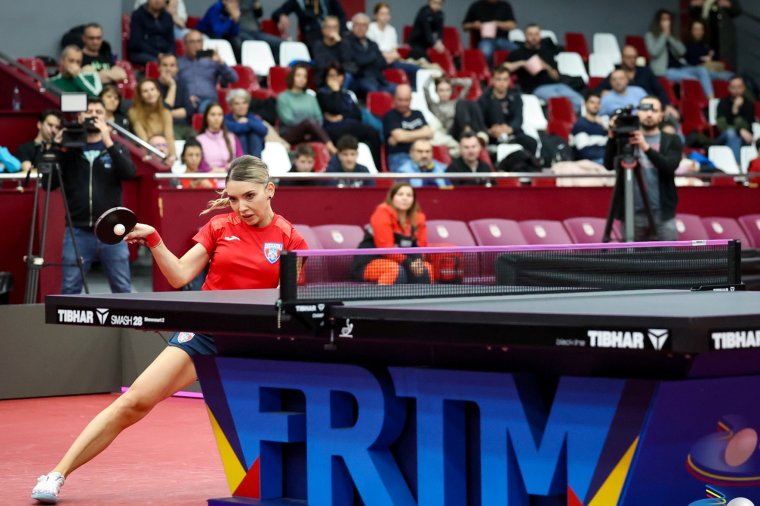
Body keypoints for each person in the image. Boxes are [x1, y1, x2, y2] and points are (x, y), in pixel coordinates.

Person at [30, 155, 307, 504]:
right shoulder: (220, 227)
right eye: (234, 198)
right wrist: (154, 239)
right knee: (134, 402)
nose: (241, 207)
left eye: (249, 196)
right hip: (206, 334)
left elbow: (286, 302)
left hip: (256, 342)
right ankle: (56, 473)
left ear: (270, 190)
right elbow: (179, 275)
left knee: (274, 420)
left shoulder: (290, 239)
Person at [41, 97, 136, 295]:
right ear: (80, 116)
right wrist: (57, 149)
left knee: (122, 288)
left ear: (106, 117)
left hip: (112, 230)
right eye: (89, 112)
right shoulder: (70, 149)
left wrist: (108, 141)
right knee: (70, 289)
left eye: (98, 113)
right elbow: (48, 184)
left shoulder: (115, 148)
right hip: (77, 230)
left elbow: (129, 174)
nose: (93, 116)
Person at [604, 95, 683, 241]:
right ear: (637, 113)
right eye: (645, 109)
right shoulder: (626, 139)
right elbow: (608, 165)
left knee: (669, 255)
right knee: (632, 255)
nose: (649, 114)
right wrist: (611, 137)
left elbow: (669, 167)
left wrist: (645, 147)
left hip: (662, 214)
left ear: (661, 115)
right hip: (632, 213)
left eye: (654, 110)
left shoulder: (672, 140)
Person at [351, 182, 432, 285]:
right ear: (392, 197)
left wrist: (417, 261)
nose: (405, 198)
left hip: (403, 262)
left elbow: (421, 246)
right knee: (395, 271)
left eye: (409, 195)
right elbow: (386, 249)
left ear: (413, 199)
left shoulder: (418, 218)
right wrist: (409, 263)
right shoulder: (382, 213)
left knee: (426, 270)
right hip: (370, 262)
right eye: (400, 194)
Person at [504, 23, 584, 113]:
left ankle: (572, 119)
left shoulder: (547, 52)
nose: (534, 37)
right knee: (559, 102)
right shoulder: (518, 53)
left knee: (579, 101)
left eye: (536, 34)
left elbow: (556, 77)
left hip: (558, 85)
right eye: (530, 34)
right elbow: (503, 68)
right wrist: (521, 63)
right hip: (536, 88)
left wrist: (546, 66)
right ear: (525, 35)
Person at [317, 62, 382, 168]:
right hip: (333, 129)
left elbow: (357, 114)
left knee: (372, 134)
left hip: (351, 126)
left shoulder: (348, 94)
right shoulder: (322, 94)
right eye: (331, 75)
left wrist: (342, 116)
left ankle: (378, 169)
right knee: (367, 132)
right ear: (326, 78)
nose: (335, 79)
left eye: (338, 75)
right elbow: (334, 108)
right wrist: (336, 91)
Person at [593, 45, 680, 120]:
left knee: (671, 117)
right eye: (629, 57)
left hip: (648, 108)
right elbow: (597, 90)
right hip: (624, 113)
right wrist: (602, 92)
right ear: (622, 58)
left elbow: (659, 90)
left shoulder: (645, 72)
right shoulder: (616, 74)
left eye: (634, 57)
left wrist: (667, 105)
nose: (632, 60)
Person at [645, 9, 715, 99]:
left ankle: (711, 100)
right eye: (664, 19)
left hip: (680, 67)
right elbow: (654, 52)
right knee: (694, 79)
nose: (667, 22)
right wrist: (663, 35)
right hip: (664, 71)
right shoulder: (650, 35)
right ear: (658, 21)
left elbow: (682, 51)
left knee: (702, 70)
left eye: (668, 19)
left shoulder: (672, 35)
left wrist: (669, 37)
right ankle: (703, 101)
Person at [276, 63, 337, 153]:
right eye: (298, 75)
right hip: (290, 133)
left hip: (310, 132)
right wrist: (307, 125)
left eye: (304, 76)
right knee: (309, 121)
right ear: (292, 77)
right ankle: (332, 148)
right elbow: (288, 120)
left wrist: (310, 128)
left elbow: (319, 118)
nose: (302, 79)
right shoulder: (283, 97)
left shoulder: (310, 97)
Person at [478, 65, 538, 156]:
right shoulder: (483, 99)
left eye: (505, 79)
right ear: (492, 80)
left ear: (509, 81)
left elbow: (518, 119)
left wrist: (509, 129)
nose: (502, 83)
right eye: (498, 79)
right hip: (492, 136)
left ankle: (529, 163)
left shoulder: (516, 97)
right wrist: (490, 131)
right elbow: (480, 120)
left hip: (512, 133)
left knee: (531, 142)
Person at [178, 30, 238, 114]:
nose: (196, 45)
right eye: (192, 42)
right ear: (184, 45)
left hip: (208, 101)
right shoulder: (178, 63)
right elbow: (173, 83)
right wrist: (185, 97)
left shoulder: (212, 61)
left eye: (199, 41)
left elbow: (233, 78)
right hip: (185, 101)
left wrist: (221, 63)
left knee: (206, 109)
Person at [423, 75, 489, 150]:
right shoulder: (434, 106)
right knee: (461, 103)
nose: (445, 93)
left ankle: (481, 132)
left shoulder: (455, 102)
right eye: (441, 90)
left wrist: (450, 81)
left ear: (451, 91)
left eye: (448, 90)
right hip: (454, 131)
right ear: (436, 91)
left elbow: (468, 83)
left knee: (472, 103)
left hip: (467, 125)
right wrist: (431, 77)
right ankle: (471, 133)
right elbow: (425, 88)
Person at [343, 13, 396, 98]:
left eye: (363, 25)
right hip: (360, 79)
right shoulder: (346, 42)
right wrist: (373, 57)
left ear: (367, 27)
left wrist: (366, 59)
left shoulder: (372, 44)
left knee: (399, 90)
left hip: (378, 79)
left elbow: (382, 63)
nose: (360, 28)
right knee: (375, 93)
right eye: (357, 25)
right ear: (352, 26)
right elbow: (357, 61)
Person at [383, 84, 433, 172]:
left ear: (411, 99)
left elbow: (429, 133)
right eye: (400, 100)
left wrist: (404, 136)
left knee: (443, 171)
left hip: (423, 155)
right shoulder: (390, 115)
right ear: (394, 98)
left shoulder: (418, 114)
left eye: (406, 100)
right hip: (400, 156)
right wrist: (422, 134)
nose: (403, 103)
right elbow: (400, 137)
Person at [128, 78, 177, 167]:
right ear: (141, 96)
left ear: (158, 92)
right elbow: (143, 140)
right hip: (147, 154)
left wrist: (172, 156)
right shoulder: (134, 113)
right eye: (145, 91)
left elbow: (169, 137)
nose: (150, 93)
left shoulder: (166, 113)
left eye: (152, 89)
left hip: (164, 152)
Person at [366, 2, 418, 86]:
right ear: (375, 15)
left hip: (391, 61)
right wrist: (386, 56)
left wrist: (391, 57)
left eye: (387, 14)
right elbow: (373, 51)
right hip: (376, 62)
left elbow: (395, 51)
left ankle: (412, 91)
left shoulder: (391, 30)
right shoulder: (370, 28)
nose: (385, 17)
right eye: (382, 14)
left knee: (415, 68)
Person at [689, 0, 742, 72]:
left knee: (725, 60)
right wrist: (694, 5)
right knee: (705, 57)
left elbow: (738, 10)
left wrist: (728, 5)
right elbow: (692, 13)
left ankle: (728, 75)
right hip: (706, 33)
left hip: (723, 35)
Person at [271, 0, 346, 49]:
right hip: (312, 36)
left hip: (332, 30)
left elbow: (341, 15)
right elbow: (275, 14)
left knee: (346, 41)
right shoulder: (297, 1)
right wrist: (281, 15)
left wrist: (340, 32)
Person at [462, 0, 519, 65]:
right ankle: (488, 70)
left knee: (518, 51)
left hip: (503, 40)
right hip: (484, 40)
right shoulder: (476, 6)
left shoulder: (505, 6)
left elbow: (513, 25)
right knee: (486, 52)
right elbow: (465, 26)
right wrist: (473, 25)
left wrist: (497, 24)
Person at [715, 76, 755, 164]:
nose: (736, 90)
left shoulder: (748, 105)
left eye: (739, 87)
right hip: (725, 137)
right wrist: (739, 130)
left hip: (744, 138)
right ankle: (736, 165)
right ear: (729, 88)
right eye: (733, 87)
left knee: (736, 136)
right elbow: (722, 127)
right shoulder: (723, 103)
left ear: (744, 88)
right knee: (731, 133)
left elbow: (747, 126)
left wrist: (736, 112)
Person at [156, 53, 195, 139]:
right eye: (165, 65)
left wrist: (168, 113)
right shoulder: (153, 87)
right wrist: (172, 86)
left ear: (177, 69)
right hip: (162, 126)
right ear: (158, 68)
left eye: (172, 65)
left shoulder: (182, 85)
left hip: (183, 126)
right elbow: (160, 112)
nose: (168, 69)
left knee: (196, 142)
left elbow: (189, 110)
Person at [197, 103, 244, 175]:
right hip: (208, 178)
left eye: (220, 115)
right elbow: (198, 163)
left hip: (230, 178)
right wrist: (210, 170)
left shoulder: (232, 138)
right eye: (213, 114)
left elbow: (241, 161)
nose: (216, 118)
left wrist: (225, 169)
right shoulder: (198, 140)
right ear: (206, 117)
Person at [16, 109, 63, 174]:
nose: (53, 130)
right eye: (50, 125)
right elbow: (27, 172)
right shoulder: (25, 148)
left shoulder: (60, 149)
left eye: (57, 127)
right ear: (39, 125)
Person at [128, 0, 175, 65]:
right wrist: (158, 54)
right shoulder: (138, 15)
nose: (157, 1)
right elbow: (137, 42)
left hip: (164, 54)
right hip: (142, 53)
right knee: (162, 64)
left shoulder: (168, 17)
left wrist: (169, 54)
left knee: (175, 62)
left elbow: (171, 41)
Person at [224, 88, 268, 158]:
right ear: (231, 106)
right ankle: (244, 163)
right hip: (233, 155)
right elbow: (234, 128)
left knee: (255, 136)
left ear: (248, 105)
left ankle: (255, 163)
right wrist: (250, 125)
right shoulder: (226, 119)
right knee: (242, 136)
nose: (241, 107)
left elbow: (264, 130)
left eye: (244, 103)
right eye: (237, 104)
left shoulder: (252, 117)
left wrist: (248, 122)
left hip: (254, 152)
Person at [312, 16, 351, 88]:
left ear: (338, 29)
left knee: (348, 76)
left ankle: (342, 94)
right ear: (323, 30)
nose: (332, 30)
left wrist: (340, 43)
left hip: (340, 76)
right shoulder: (318, 45)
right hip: (324, 77)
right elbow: (321, 65)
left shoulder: (344, 44)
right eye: (329, 27)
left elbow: (347, 62)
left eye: (334, 27)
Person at [570, 94, 607, 164]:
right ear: (585, 104)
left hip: (602, 160)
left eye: (598, 103)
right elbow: (585, 152)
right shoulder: (580, 125)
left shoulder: (602, 125)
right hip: (586, 163)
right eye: (592, 102)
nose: (595, 105)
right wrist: (608, 154)